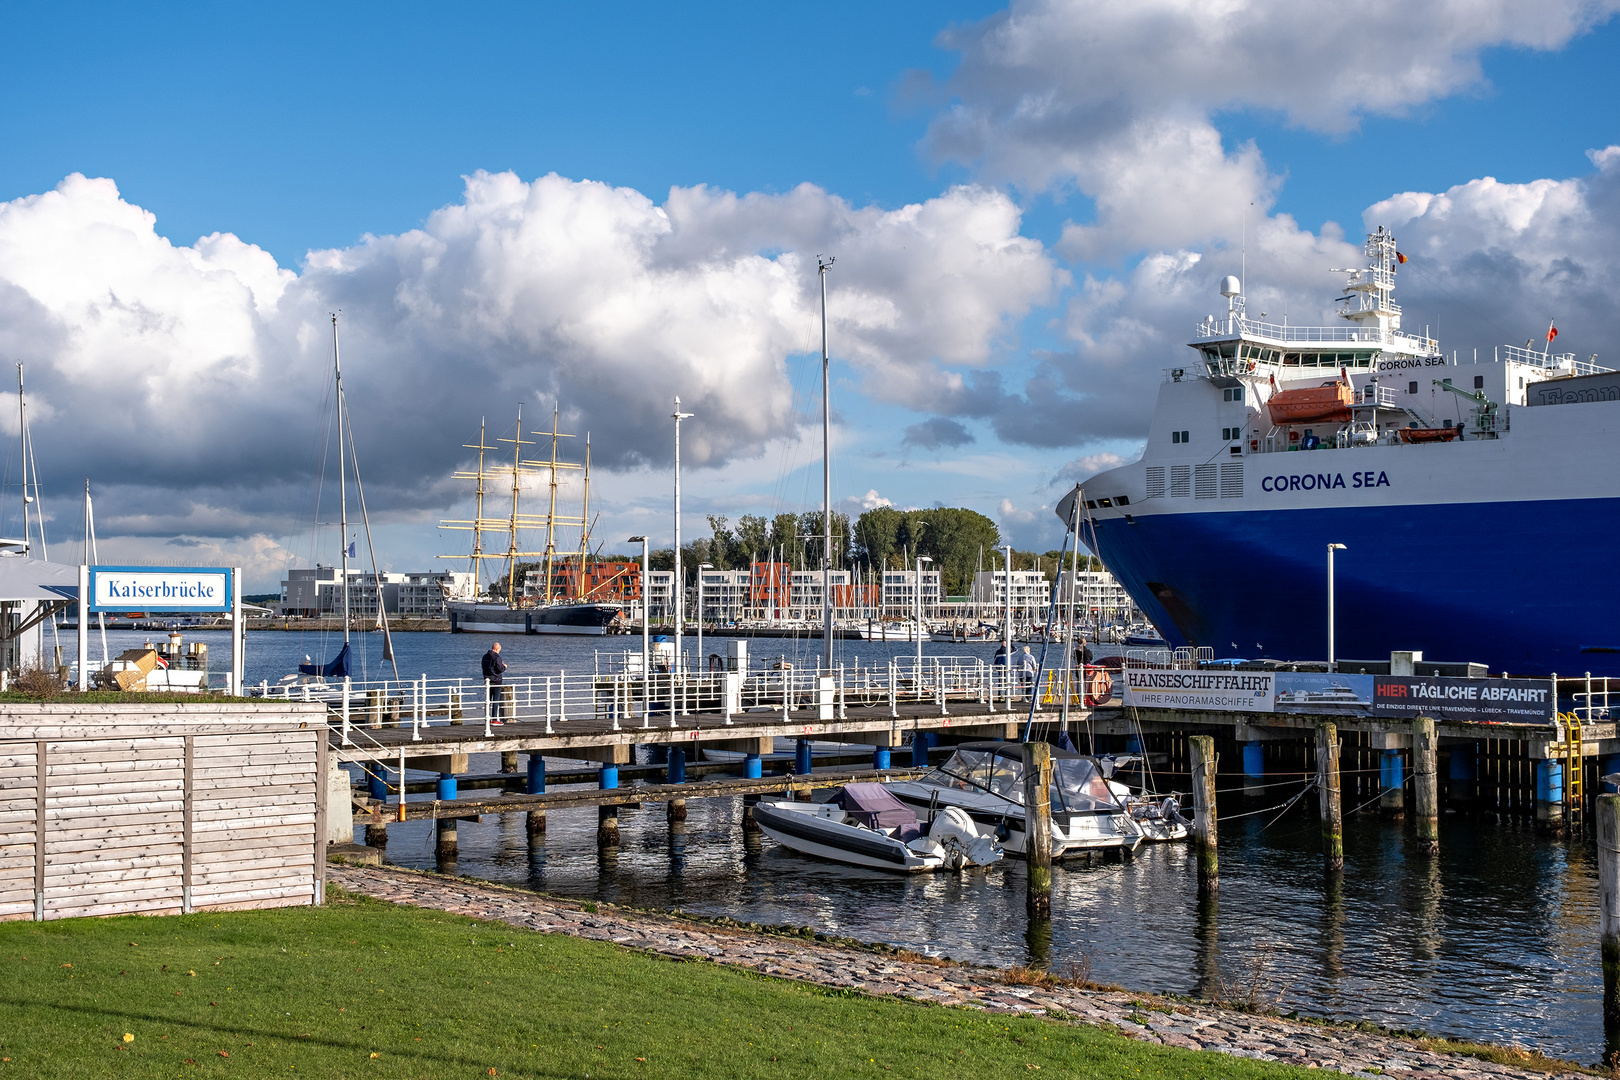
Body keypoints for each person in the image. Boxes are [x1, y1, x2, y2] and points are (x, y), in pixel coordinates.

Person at [481, 641, 508, 724]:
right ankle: (494, 719)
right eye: (499, 649)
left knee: (488, 701)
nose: (499, 651)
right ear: (497, 649)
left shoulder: (485, 657)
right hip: (496, 680)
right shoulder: (497, 657)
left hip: (487, 680)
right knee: (495, 701)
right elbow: (500, 669)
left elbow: (483, 667)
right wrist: (504, 667)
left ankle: (487, 718)